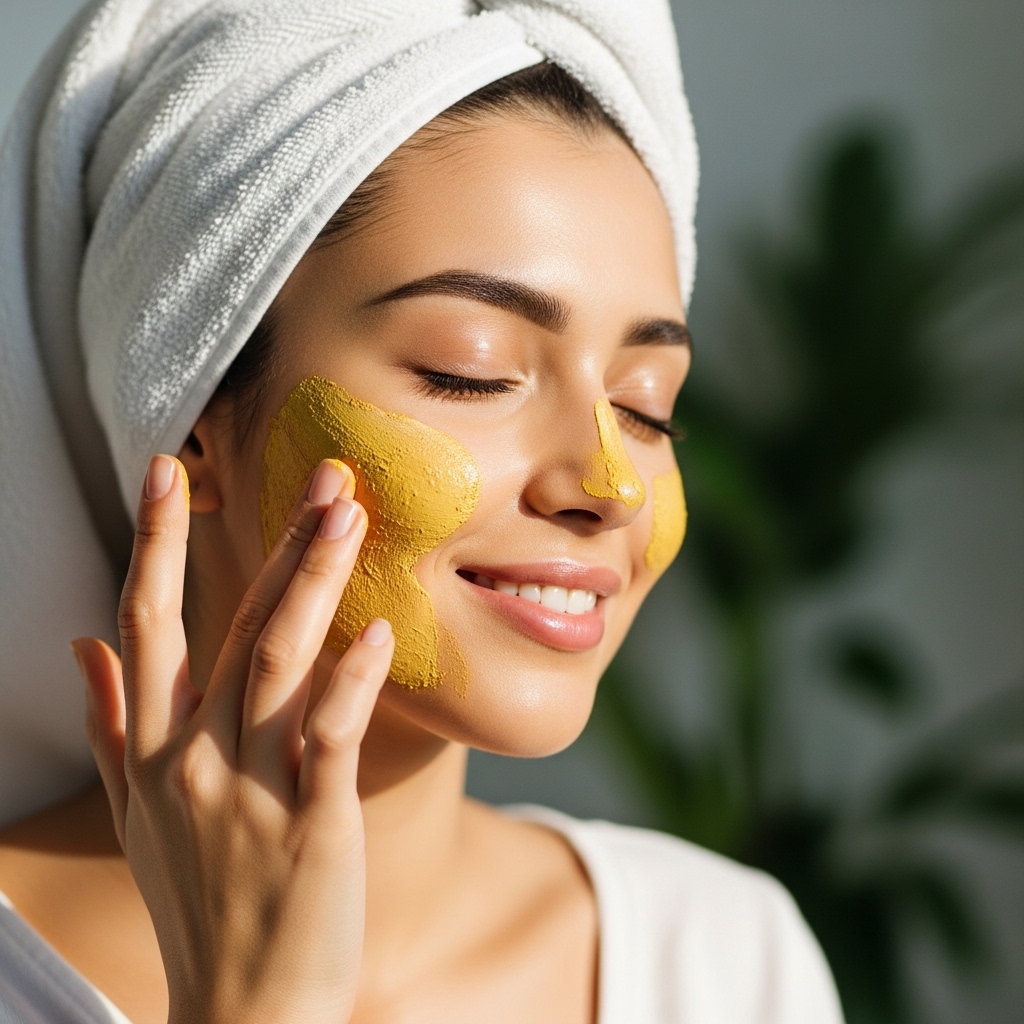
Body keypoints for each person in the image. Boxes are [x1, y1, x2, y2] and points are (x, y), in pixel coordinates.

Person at [0, 2, 844, 1022]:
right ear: (189, 423)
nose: (609, 481)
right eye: (471, 372)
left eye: (645, 404)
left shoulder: (721, 958)